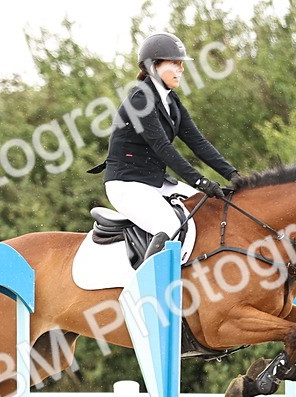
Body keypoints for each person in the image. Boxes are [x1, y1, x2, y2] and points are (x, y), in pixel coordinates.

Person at [88, 32, 240, 260]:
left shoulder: (172, 101)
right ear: (153, 67)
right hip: (126, 184)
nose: (181, 69)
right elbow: (162, 147)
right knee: (169, 226)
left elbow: (199, 143)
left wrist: (234, 175)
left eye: (181, 64)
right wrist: (200, 180)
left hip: (155, 182)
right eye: (175, 63)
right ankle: (149, 290)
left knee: (208, 210)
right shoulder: (140, 99)